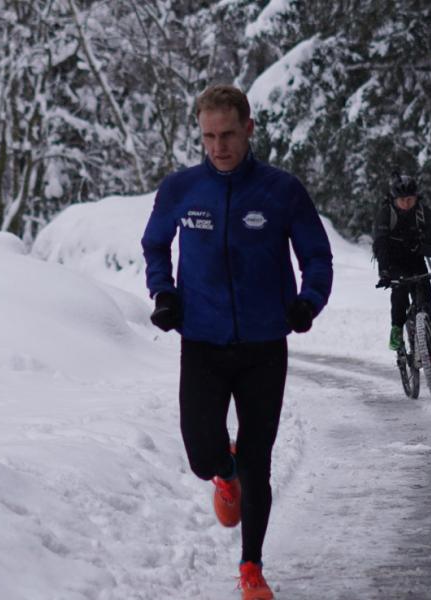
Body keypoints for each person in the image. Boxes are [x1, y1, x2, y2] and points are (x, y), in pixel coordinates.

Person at [141, 84, 333, 599]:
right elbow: (155, 244)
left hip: (264, 345)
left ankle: (251, 568)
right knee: (204, 454)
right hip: (202, 341)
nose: (218, 146)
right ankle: (222, 474)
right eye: (208, 136)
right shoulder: (182, 189)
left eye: (228, 134)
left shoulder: (281, 190)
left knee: (258, 458)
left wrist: (307, 301)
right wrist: (164, 293)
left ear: (248, 128)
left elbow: (317, 257)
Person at [372, 171, 431, 351]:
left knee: (426, 298)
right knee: (400, 293)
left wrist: (420, 247)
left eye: (410, 199)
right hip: (393, 261)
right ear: (394, 199)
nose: (406, 204)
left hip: (416, 261)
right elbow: (380, 245)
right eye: (402, 200)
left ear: (416, 198)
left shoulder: (424, 214)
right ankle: (396, 329)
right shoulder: (386, 214)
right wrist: (384, 272)